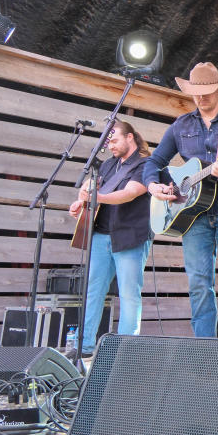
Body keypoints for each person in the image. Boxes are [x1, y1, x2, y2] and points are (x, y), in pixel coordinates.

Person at [143, 62, 218, 339]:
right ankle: (203, 348)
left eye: (206, 91)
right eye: (195, 91)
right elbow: (155, 160)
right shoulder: (180, 125)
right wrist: (152, 185)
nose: (200, 97)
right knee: (198, 282)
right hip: (193, 214)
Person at [68, 120, 152, 356]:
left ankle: (125, 351)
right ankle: (82, 348)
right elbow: (89, 186)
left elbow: (129, 193)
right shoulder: (107, 165)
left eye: (114, 140)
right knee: (93, 291)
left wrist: (96, 198)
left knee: (128, 294)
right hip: (100, 234)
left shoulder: (146, 165)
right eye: (108, 142)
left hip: (130, 236)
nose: (110, 146)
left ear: (130, 138)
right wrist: (81, 201)